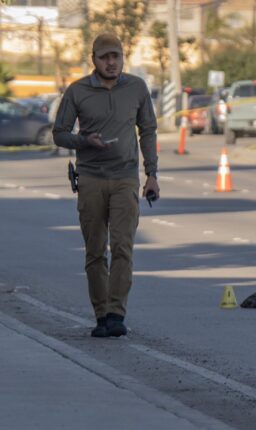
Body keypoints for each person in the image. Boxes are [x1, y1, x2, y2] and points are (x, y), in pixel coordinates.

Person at [53, 33, 159, 338]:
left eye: (116, 56)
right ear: (94, 60)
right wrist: (85, 141)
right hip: (90, 178)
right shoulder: (78, 91)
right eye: (105, 57)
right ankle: (101, 315)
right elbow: (59, 133)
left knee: (123, 248)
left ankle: (116, 313)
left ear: (124, 57)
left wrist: (151, 173)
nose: (111, 62)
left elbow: (148, 130)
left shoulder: (136, 87)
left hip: (126, 177)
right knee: (95, 251)